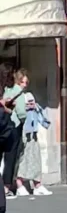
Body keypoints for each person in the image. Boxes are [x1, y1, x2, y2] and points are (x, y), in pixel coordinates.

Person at [2, 68, 31, 198]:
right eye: (24, 82)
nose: (25, 85)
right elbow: (21, 112)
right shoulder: (18, 92)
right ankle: (6, 187)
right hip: (14, 127)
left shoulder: (6, 90)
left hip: (3, 125)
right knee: (11, 157)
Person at [16, 92, 51, 197]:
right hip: (23, 136)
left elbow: (42, 118)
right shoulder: (19, 102)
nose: (31, 104)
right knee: (22, 162)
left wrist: (36, 108)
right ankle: (19, 185)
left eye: (32, 102)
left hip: (33, 136)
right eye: (29, 102)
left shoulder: (35, 108)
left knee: (36, 161)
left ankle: (37, 185)